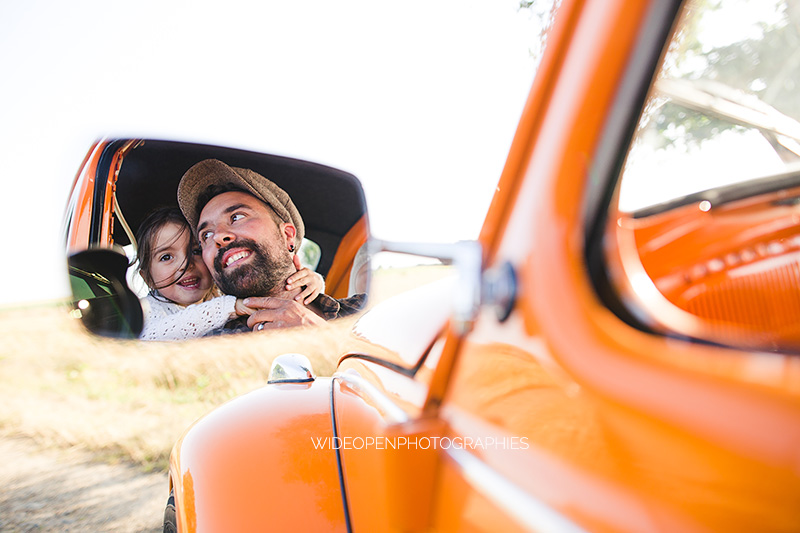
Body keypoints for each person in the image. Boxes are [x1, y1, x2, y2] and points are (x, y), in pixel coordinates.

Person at [177, 158, 367, 333]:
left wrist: (323, 337)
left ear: (287, 236)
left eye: (237, 217)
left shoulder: (366, 311)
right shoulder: (208, 349)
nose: (218, 236)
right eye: (206, 235)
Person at [135, 207, 325, 340]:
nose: (186, 265)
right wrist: (229, 307)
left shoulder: (224, 295)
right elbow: (153, 335)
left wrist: (310, 283)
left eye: (195, 251)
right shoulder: (146, 309)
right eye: (167, 257)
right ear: (147, 277)